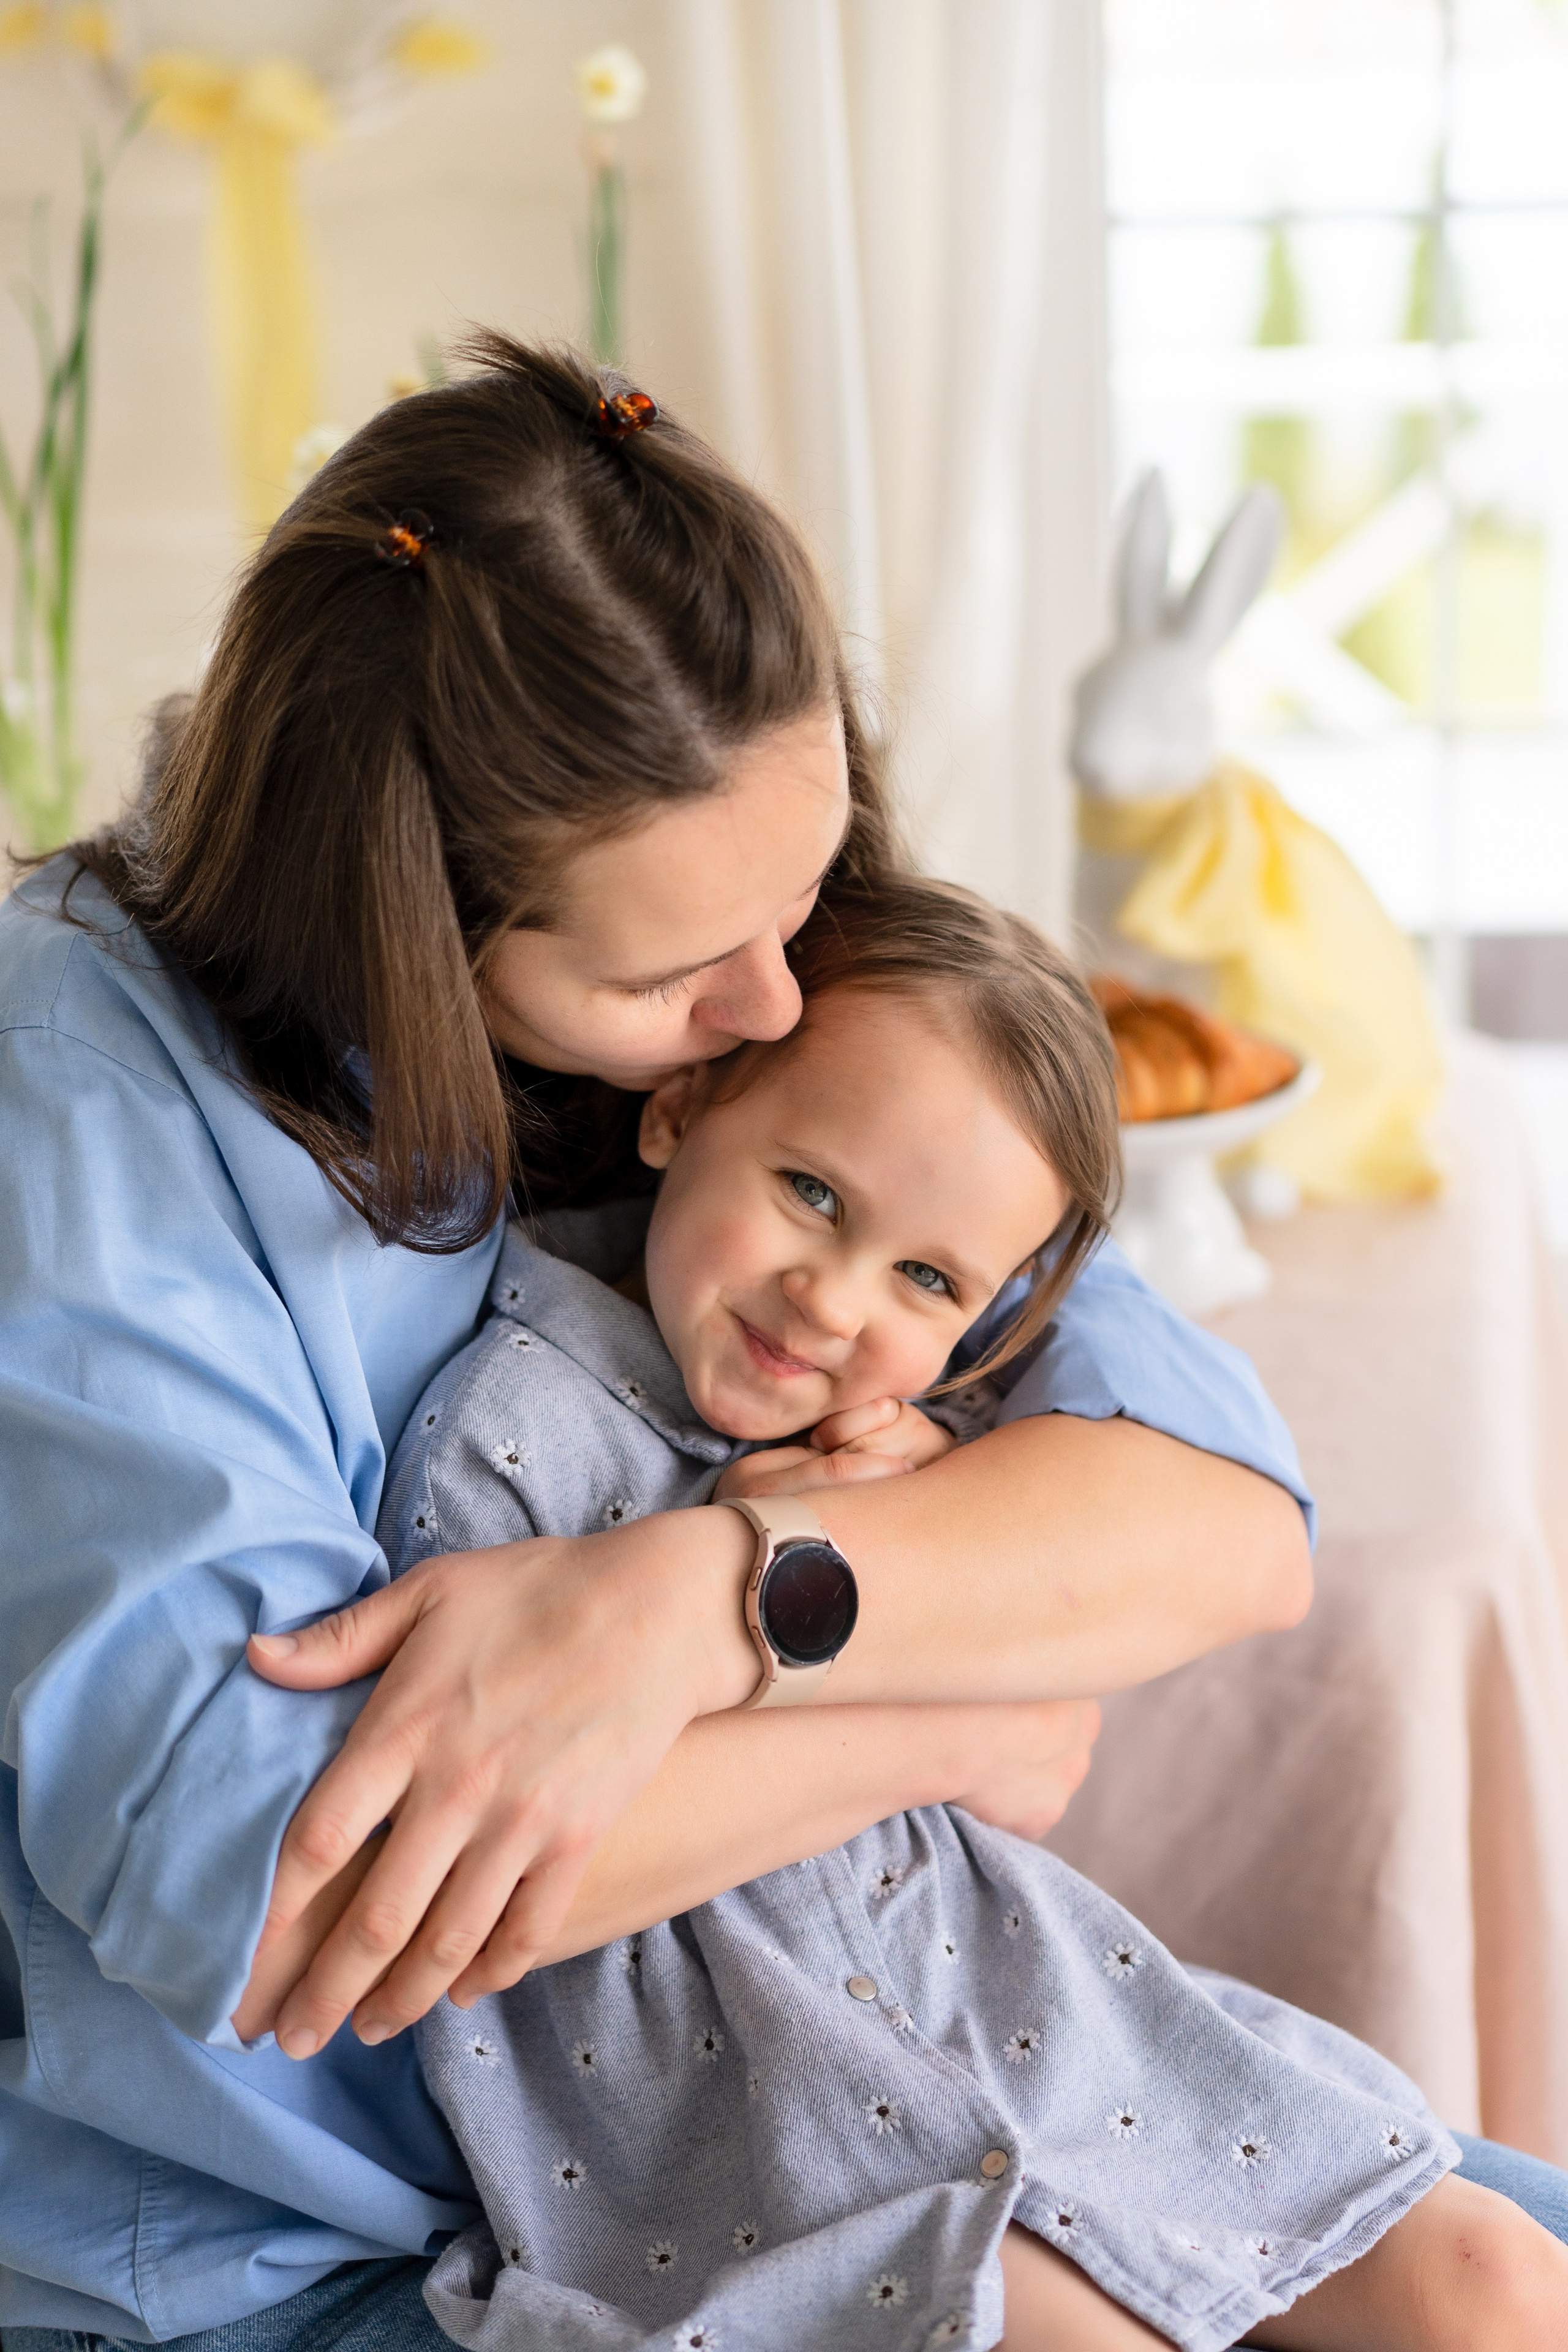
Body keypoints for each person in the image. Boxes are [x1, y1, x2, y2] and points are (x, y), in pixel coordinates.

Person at [0, 337, 1558, 2352]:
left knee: (1492, 2274)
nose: (775, 1003)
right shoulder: (88, 1124)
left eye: (807, 890)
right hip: (351, 2226)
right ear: (419, 928)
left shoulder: (742, 944)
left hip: (881, 2015)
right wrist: (943, 1717)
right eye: (668, 975)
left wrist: (708, 1600)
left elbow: (1219, 1515)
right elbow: (294, 1909)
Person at [379, 871, 1568, 2352]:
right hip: (739, 2123)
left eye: (923, 1277)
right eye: (809, 1193)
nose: (830, 1301)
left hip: (1023, 2018)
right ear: (681, 1111)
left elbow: (1091, 1714)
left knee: (1500, 2286)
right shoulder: (503, 1438)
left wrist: (914, 1506)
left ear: (989, 1314)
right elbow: (496, 1868)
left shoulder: (913, 1442)